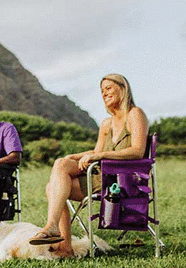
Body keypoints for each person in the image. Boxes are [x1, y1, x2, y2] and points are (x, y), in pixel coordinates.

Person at [28, 73, 149, 258]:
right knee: (57, 173)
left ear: (123, 88)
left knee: (53, 187)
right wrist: (76, 156)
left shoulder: (135, 114)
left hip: (121, 182)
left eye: (108, 88)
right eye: (102, 91)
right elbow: (95, 152)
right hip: (101, 175)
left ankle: (56, 233)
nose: (104, 93)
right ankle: (62, 243)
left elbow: (138, 151)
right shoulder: (106, 124)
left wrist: (101, 155)